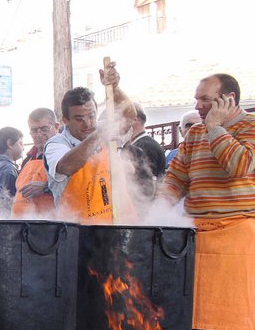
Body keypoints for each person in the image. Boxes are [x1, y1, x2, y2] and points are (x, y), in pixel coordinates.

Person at [160, 73, 255, 330]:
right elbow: (176, 178)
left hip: (239, 233)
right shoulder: (195, 134)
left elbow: (239, 166)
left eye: (205, 100)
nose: (198, 106)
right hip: (197, 232)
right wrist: (153, 208)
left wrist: (217, 127)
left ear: (228, 99)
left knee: (246, 316)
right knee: (187, 309)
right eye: (197, 99)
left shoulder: (250, 128)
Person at [45, 63, 136, 223]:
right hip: (79, 233)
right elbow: (66, 166)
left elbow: (128, 117)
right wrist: (99, 136)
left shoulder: (104, 130)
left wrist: (114, 88)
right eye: (79, 119)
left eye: (92, 116)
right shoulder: (56, 144)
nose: (87, 123)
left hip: (120, 225)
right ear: (65, 119)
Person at [12, 108, 57, 217]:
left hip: (51, 226)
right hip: (23, 226)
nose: (39, 134)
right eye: (34, 130)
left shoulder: (64, 154)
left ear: (56, 127)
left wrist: (46, 188)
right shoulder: (28, 159)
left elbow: (74, 189)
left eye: (44, 129)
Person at [124, 102, 167, 199]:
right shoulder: (144, 143)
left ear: (135, 120)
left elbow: (145, 185)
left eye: (122, 119)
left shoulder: (145, 147)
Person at [0, 126, 23, 213]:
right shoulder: (7, 169)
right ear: (10, 143)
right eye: (20, 143)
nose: (23, 148)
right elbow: (1, 202)